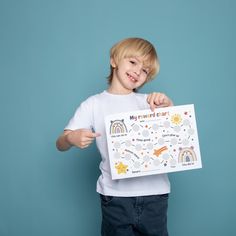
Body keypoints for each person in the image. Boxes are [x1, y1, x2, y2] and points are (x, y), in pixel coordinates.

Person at [56, 37, 173, 236]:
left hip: (155, 195)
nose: (138, 71)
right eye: (133, 62)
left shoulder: (149, 102)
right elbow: (60, 143)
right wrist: (71, 138)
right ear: (114, 61)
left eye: (145, 70)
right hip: (115, 197)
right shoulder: (93, 104)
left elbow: (175, 132)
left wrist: (167, 104)